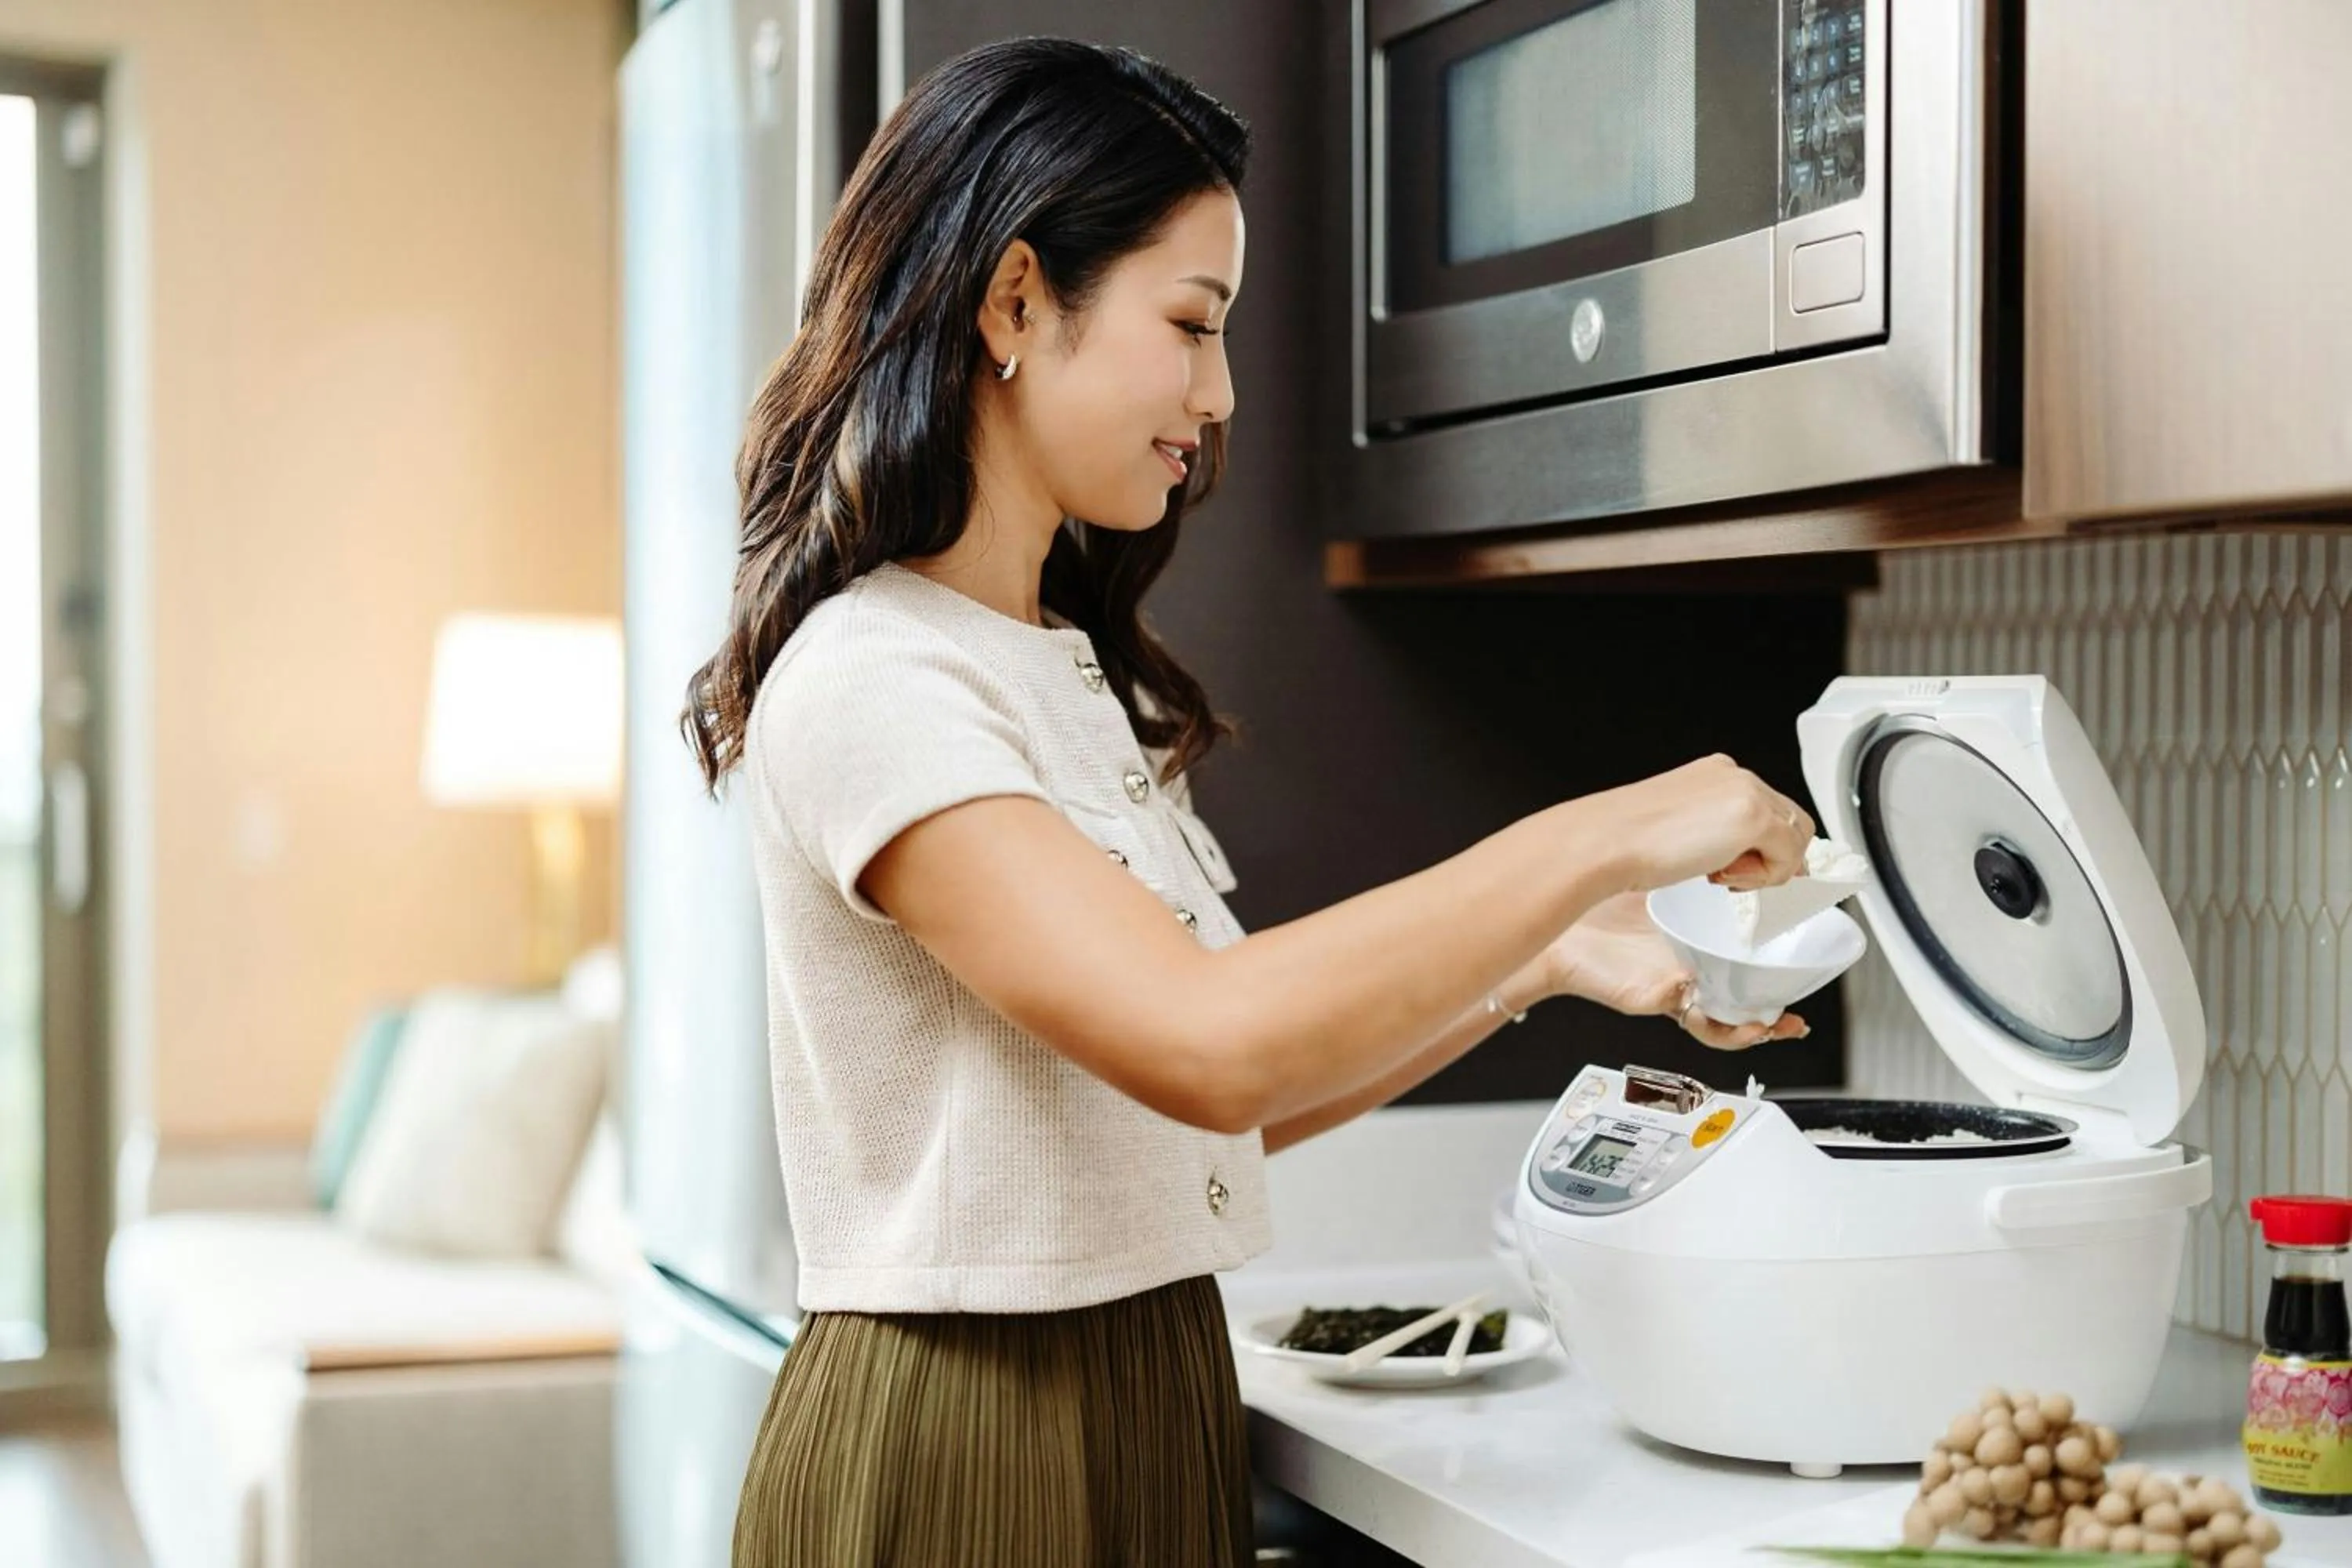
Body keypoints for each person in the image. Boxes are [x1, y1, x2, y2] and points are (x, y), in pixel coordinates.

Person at [684, 37, 1814, 1568]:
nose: (1216, 395)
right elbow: (1211, 1042)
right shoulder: (877, 677)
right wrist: (1605, 831)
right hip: (967, 1429)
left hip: (1144, 1378)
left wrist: (1538, 964)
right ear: (1017, 301)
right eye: (1189, 324)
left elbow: (1217, 1095)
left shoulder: (1049, 669)